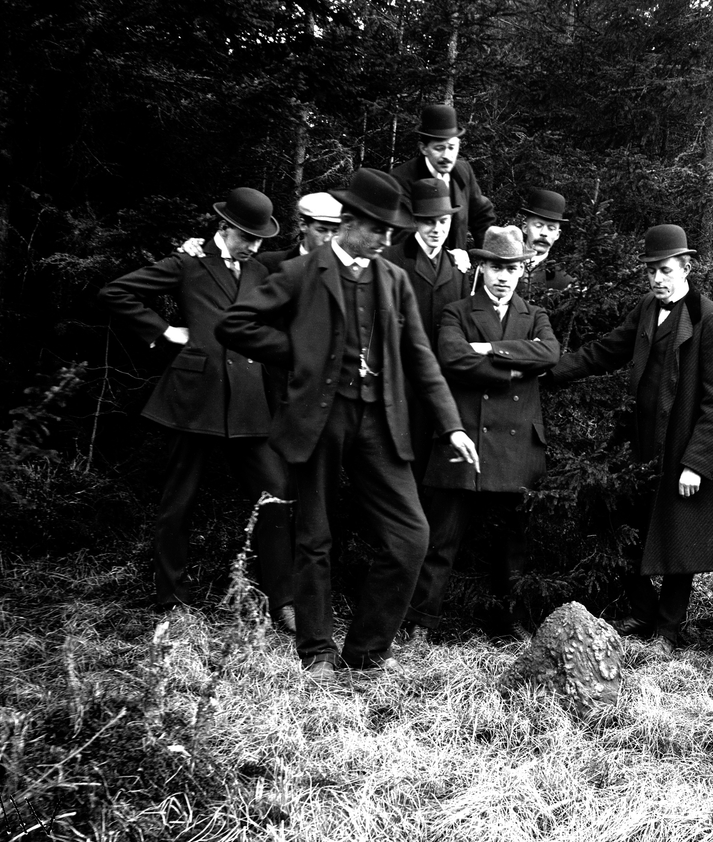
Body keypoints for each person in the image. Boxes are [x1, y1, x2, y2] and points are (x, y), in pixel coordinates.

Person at [214, 168, 479, 677]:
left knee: (411, 536)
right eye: (378, 229)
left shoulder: (393, 279)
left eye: (391, 231)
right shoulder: (302, 272)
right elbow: (235, 324)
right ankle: (317, 652)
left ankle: (366, 652)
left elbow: (421, 358)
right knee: (314, 537)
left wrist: (452, 425)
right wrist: (301, 353)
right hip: (318, 419)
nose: (385, 239)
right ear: (349, 222)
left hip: (381, 421)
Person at [97, 188, 295, 631]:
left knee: (276, 496)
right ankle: (172, 602)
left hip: (248, 403)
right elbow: (117, 291)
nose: (254, 246)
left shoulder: (260, 268)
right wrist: (165, 331)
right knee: (178, 504)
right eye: (247, 237)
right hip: (194, 399)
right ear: (225, 227)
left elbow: (306, 255)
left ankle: (283, 602)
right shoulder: (188, 262)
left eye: (260, 239)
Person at [550, 224, 713, 657]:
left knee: (680, 536)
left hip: (683, 448)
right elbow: (607, 350)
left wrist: (697, 461)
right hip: (640, 446)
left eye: (665, 270)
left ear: (686, 268)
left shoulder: (709, 318)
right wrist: (552, 372)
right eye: (651, 270)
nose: (657, 278)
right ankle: (643, 611)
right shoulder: (646, 308)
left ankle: (668, 631)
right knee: (621, 526)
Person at [404, 226, 560, 642]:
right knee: (441, 540)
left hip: (517, 445)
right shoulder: (456, 311)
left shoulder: (535, 315)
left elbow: (549, 353)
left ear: (522, 270)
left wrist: (488, 349)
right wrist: (513, 368)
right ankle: (420, 623)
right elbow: (451, 356)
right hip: (466, 437)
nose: (504, 276)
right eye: (496, 267)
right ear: (482, 268)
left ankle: (508, 624)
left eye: (512, 268)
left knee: (513, 545)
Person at [383, 178, 469, 482]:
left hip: (441, 383)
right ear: (416, 222)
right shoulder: (391, 260)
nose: (437, 229)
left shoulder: (457, 266)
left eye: (443, 221)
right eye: (428, 221)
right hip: (401, 381)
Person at [390, 104, 496, 251]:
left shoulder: (463, 171)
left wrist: (490, 257)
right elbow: (402, 236)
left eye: (451, 147)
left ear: (458, 145)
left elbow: (482, 215)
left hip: (458, 263)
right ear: (423, 148)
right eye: (439, 148)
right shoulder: (400, 180)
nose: (447, 156)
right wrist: (445, 258)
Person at [256, 192, 343, 270]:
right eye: (321, 230)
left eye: (335, 231)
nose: (328, 239)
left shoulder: (344, 269)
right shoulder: (269, 263)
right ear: (303, 225)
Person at [518, 188, 575, 301]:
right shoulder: (502, 267)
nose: (544, 233)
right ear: (525, 228)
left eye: (551, 228)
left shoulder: (564, 283)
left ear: (557, 235)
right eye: (538, 226)